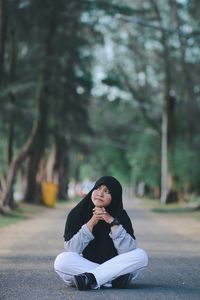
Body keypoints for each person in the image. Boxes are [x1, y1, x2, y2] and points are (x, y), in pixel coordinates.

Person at [54, 176, 148, 290]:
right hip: (88, 266)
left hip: (98, 269)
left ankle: (89, 278)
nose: (100, 194)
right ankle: (111, 279)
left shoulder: (121, 216)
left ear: (115, 197)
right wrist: (92, 221)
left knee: (141, 255)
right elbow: (72, 249)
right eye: (97, 189)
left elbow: (127, 251)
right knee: (62, 260)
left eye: (107, 191)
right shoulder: (77, 213)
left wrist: (112, 222)